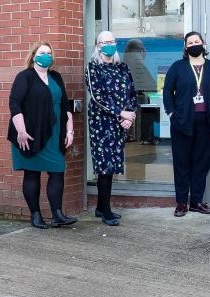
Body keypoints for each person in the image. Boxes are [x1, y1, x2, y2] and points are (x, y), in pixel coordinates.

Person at [8, 42, 76, 229]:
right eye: (41, 53)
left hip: (55, 133)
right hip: (29, 133)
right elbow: (15, 104)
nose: (45, 56)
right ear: (33, 56)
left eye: (48, 53)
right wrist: (21, 131)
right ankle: (35, 216)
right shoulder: (25, 76)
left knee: (57, 170)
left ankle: (57, 215)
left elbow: (65, 106)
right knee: (32, 173)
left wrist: (70, 130)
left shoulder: (56, 77)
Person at [162, 30, 210, 216]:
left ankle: (197, 201)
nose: (193, 45)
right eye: (189, 43)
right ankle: (181, 202)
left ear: (203, 44)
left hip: (207, 124)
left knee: (201, 164)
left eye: (196, 41)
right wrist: (172, 114)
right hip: (182, 123)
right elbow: (167, 92)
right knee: (182, 164)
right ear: (185, 47)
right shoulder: (177, 67)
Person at [86, 31, 138, 226]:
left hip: (120, 125)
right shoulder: (93, 68)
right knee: (105, 167)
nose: (109, 45)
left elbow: (132, 93)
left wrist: (129, 116)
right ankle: (106, 211)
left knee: (113, 165)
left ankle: (101, 207)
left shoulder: (122, 67)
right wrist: (120, 113)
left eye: (112, 41)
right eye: (105, 42)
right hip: (101, 124)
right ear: (98, 45)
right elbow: (97, 98)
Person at [123, 39, 158, 144]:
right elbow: (151, 85)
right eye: (144, 49)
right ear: (141, 50)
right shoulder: (138, 62)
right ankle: (146, 139)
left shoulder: (125, 62)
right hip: (139, 103)